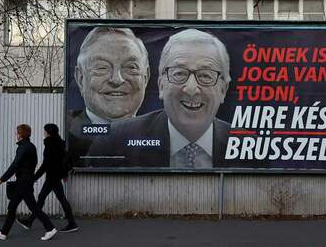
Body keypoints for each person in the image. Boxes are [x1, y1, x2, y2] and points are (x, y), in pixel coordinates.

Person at [88, 29, 231, 168]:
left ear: (223, 89)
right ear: (161, 85)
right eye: (179, 74)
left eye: (205, 75)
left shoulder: (247, 146)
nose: (191, 89)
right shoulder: (112, 142)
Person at [68, 27, 150, 166]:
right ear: (80, 78)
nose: (116, 80)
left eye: (130, 67)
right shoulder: (70, 133)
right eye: (102, 67)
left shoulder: (164, 134)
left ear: (146, 77)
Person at [0, 124, 57, 241]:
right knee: (13, 206)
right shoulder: (31, 146)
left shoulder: (23, 147)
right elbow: (32, 164)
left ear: (21, 134)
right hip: (25, 181)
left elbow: (15, 165)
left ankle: (50, 228)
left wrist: (2, 178)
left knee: (32, 207)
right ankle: (3, 232)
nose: (16, 134)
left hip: (23, 182)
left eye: (17, 132)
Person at [17, 123, 78, 233]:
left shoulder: (50, 144)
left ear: (48, 133)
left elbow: (46, 164)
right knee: (57, 198)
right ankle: (71, 223)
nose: (44, 133)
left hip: (52, 176)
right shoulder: (59, 143)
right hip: (56, 176)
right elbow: (63, 160)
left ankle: (30, 221)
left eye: (45, 131)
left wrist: (34, 177)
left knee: (45, 197)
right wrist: (64, 174)